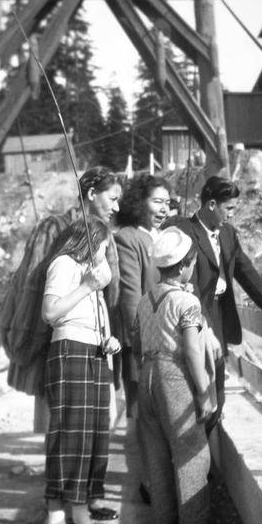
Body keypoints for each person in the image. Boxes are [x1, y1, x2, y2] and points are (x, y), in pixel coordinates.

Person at [166, 175, 262, 429]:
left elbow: (246, 271)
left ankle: (214, 431)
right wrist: (201, 321)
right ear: (212, 204)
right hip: (195, 310)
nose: (233, 214)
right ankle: (196, 440)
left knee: (218, 373)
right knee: (197, 374)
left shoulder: (228, 233)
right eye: (230, 208)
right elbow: (182, 284)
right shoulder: (186, 232)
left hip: (220, 311)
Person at [132, 226, 224, 524]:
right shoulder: (187, 301)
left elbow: (136, 341)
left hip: (147, 374)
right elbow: (192, 350)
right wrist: (204, 394)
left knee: (156, 449)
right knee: (191, 448)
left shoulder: (146, 301)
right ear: (186, 264)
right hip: (173, 374)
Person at [0, 166, 122, 399]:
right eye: (113, 199)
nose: (117, 208)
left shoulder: (106, 235)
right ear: (92, 193)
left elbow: (110, 293)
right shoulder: (53, 228)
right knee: (63, 425)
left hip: (97, 341)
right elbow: (31, 288)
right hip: (55, 346)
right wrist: (29, 345)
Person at [41, 216, 121, 524]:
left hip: (92, 355)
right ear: (89, 243)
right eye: (103, 248)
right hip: (69, 353)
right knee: (70, 437)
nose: (104, 256)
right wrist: (87, 287)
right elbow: (50, 312)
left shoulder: (92, 279)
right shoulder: (64, 265)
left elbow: (89, 319)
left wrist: (108, 340)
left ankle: (79, 515)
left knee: (92, 438)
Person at [114, 175, 171, 416]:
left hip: (171, 336)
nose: (164, 209)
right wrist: (139, 343)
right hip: (143, 339)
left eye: (168, 203)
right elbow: (130, 298)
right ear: (139, 203)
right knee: (143, 412)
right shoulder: (128, 238)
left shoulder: (168, 236)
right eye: (157, 202)